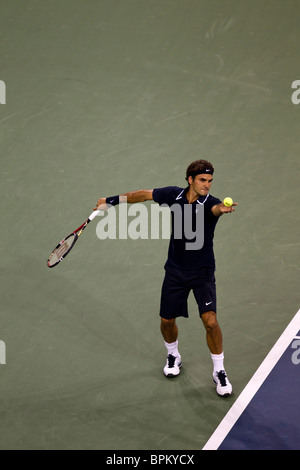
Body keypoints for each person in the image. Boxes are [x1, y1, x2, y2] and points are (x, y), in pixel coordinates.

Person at [94, 159, 237, 397]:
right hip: (175, 272)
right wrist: (110, 201)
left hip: (202, 273)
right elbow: (143, 195)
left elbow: (215, 209)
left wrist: (220, 209)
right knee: (167, 321)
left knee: (210, 321)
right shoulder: (174, 195)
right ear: (190, 179)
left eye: (210, 181)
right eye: (202, 180)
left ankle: (219, 370)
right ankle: (173, 355)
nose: (207, 185)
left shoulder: (211, 204)